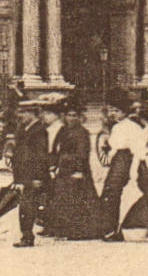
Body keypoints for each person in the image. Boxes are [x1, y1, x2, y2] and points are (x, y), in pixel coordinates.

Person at [101, 90, 148, 241]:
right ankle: (111, 228)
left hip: (126, 161)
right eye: (112, 110)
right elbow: (114, 147)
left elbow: (137, 149)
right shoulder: (118, 127)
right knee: (111, 194)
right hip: (118, 160)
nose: (114, 113)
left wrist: (134, 170)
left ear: (125, 112)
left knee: (113, 194)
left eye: (117, 111)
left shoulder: (130, 127)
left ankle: (114, 229)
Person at [43, 98, 105, 240]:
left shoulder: (82, 132)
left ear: (79, 117)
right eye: (68, 115)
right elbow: (56, 148)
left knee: (78, 199)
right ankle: (59, 229)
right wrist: (53, 164)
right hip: (63, 169)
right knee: (61, 198)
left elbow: (82, 153)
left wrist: (79, 170)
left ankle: (80, 230)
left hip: (76, 170)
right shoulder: (63, 131)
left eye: (74, 115)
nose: (71, 118)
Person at [9, 100, 50, 248]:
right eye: (21, 112)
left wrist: (38, 177)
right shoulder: (23, 129)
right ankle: (27, 234)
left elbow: (40, 156)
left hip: (33, 175)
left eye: (25, 112)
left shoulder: (39, 130)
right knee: (26, 204)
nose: (21, 115)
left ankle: (27, 236)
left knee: (28, 205)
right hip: (23, 173)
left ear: (33, 113)